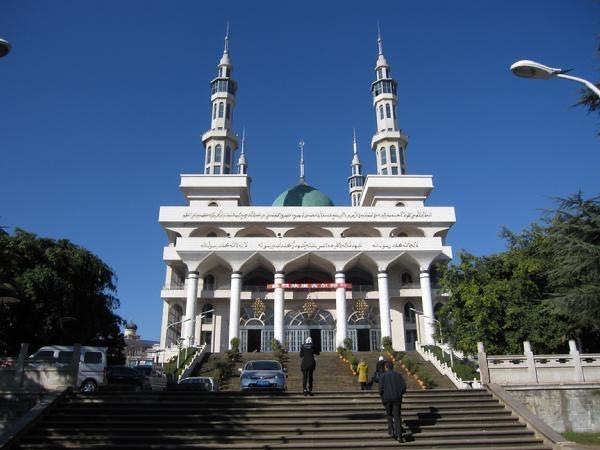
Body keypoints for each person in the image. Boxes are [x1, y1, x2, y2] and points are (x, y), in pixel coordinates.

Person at [379, 361, 407, 442]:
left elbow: (380, 389)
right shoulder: (398, 375)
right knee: (397, 416)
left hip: (387, 398)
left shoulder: (383, 376)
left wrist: (382, 395)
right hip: (397, 398)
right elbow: (403, 387)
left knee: (389, 414)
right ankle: (399, 435)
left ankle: (391, 430)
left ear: (386, 367)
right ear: (392, 367)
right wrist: (399, 394)